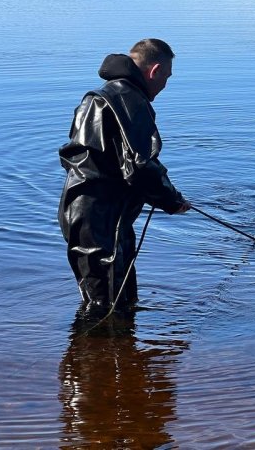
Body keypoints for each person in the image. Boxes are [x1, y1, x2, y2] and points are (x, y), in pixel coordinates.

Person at [58, 38, 190, 311]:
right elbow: (141, 167)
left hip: (80, 210)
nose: (165, 85)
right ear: (154, 71)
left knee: (115, 299)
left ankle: (110, 351)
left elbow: (82, 159)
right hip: (103, 218)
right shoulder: (131, 101)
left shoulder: (96, 97)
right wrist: (172, 200)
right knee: (106, 305)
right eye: (166, 77)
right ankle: (98, 349)